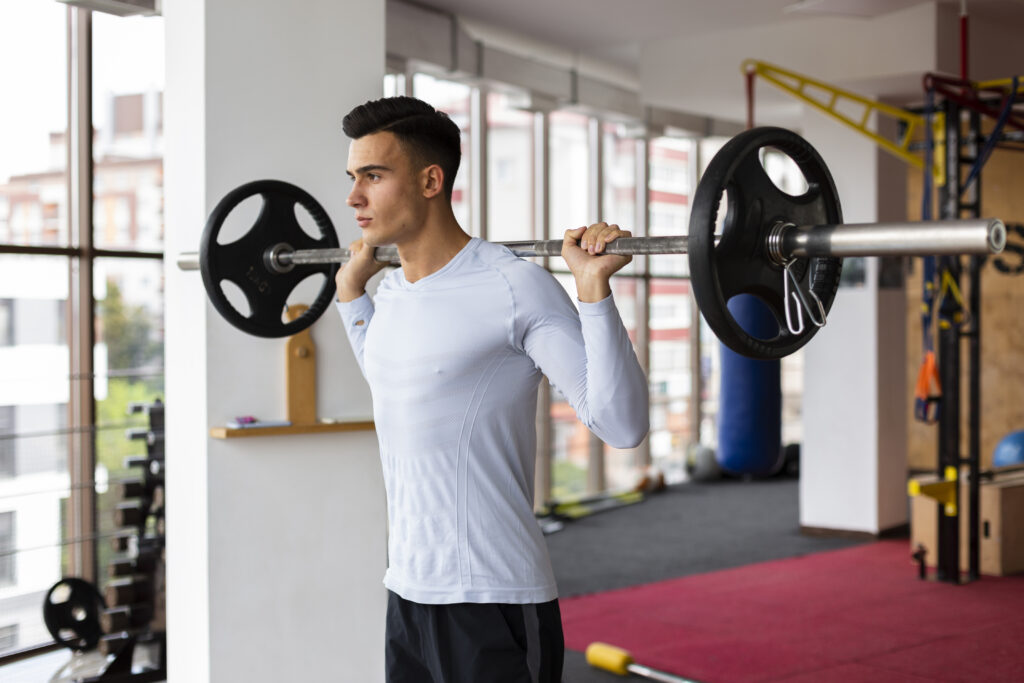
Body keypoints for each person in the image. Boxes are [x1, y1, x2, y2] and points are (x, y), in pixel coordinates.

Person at [334, 96, 649, 683]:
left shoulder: (514, 286)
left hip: (494, 597)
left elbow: (621, 425)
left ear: (431, 180)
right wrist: (350, 295)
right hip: (407, 592)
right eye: (353, 178)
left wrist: (592, 294)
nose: (354, 198)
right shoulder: (391, 296)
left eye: (373, 176)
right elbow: (389, 380)